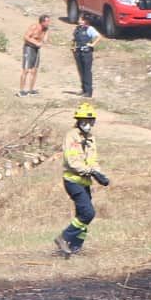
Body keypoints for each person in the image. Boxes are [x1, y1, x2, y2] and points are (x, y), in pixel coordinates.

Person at [54, 102, 109, 256]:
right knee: (88, 213)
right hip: (73, 181)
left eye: (91, 121)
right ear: (78, 120)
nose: (88, 124)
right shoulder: (71, 136)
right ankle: (64, 237)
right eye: (85, 121)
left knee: (82, 217)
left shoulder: (91, 138)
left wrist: (99, 174)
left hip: (85, 182)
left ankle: (75, 248)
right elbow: (72, 161)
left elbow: (93, 160)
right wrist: (89, 170)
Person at [19, 14, 49, 97]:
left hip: (36, 49)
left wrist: (44, 40)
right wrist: (36, 42)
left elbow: (45, 38)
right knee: (26, 70)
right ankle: (21, 90)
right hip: (29, 48)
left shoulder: (45, 29)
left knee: (34, 70)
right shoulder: (34, 27)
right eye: (47, 21)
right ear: (42, 21)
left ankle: (31, 90)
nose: (48, 23)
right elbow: (26, 37)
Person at [71, 17, 98, 98]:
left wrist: (93, 44)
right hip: (78, 52)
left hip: (86, 53)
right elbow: (74, 39)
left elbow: (98, 36)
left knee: (87, 71)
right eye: (80, 19)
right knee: (81, 71)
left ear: (86, 21)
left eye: (82, 20)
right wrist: (73, 47)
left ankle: (88, 91)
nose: (80, 21)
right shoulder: (77, 29)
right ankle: (83, 89)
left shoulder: (89, 29)